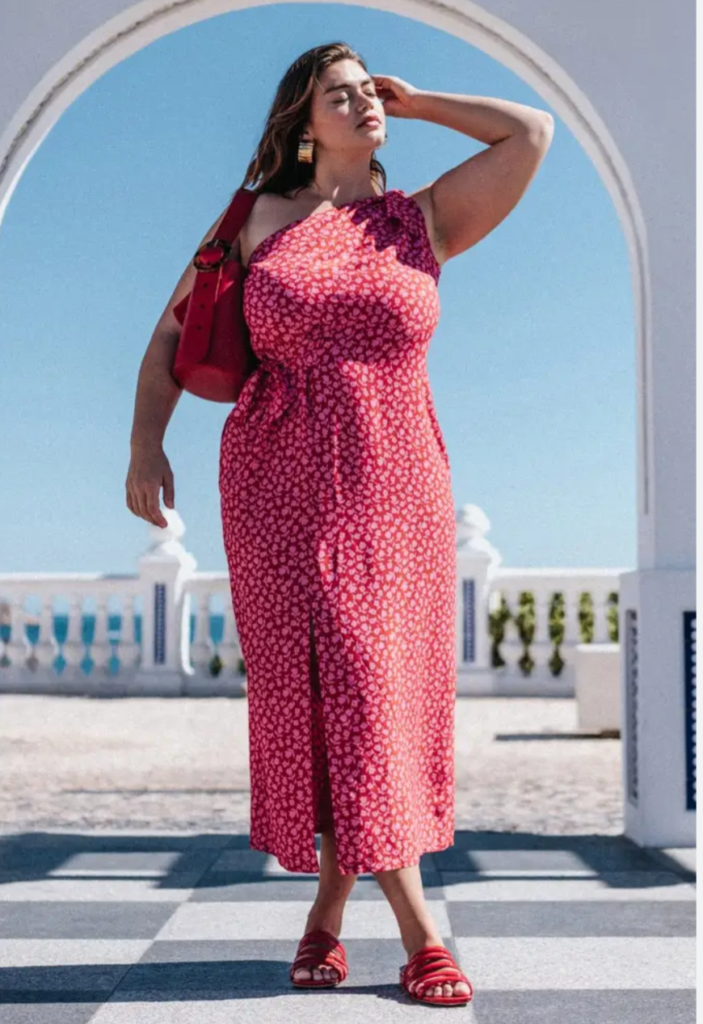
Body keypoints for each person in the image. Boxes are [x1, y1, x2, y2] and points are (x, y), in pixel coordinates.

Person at [126, 40, 553, 1007]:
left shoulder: (420, 221)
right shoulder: (254, 220)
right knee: (335, 694)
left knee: (371, 698)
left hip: (396, 485)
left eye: (369, 92)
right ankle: (420, 936)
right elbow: (169, 335)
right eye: (340, 95)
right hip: (275, 483)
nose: (364, 105)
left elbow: (531, 133)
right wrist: (146, 447)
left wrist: (423, 100)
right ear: (301, 123)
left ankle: (327, 912)